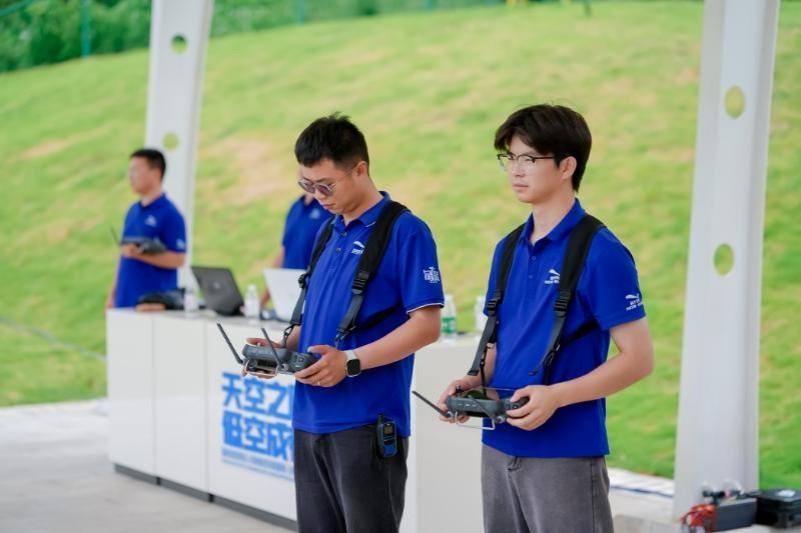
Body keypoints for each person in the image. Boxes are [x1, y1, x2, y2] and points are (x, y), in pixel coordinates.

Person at [438, 104, 654, 532]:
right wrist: (472, 381)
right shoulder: (507, 248)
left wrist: (557, 396)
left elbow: (639, 359)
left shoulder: (602, 252)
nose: (515, 170)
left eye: (530, 159)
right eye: (510, 158)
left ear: (566, 166)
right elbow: (503, 343)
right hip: (498, 443)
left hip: (564, 452)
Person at [247, 114, 443, 533]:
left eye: (326, 185)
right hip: (308, 417)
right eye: (307, 186)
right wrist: (281, 351)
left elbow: (427, 326)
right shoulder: (329, 231)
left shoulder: (405, 231)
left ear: (360, 169)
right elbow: (319, 321)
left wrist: (350, 361)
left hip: (366, 422)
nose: (317, 197)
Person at [106, 148, 187, 309]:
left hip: (151, 305)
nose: (130, 176)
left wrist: (139, 255)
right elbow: (123, 255)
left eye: (135, 170)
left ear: (155, 173)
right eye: (129, 170)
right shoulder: (132, 211)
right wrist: (112, 295)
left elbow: (178, 259)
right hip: (124, 301)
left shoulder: (170, 214)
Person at [260, 192, 331, 307]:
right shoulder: (296, 206)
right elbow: (285, 251)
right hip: (288, 298)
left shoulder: (330, 206)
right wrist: (261, 302)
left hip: (314, 300)